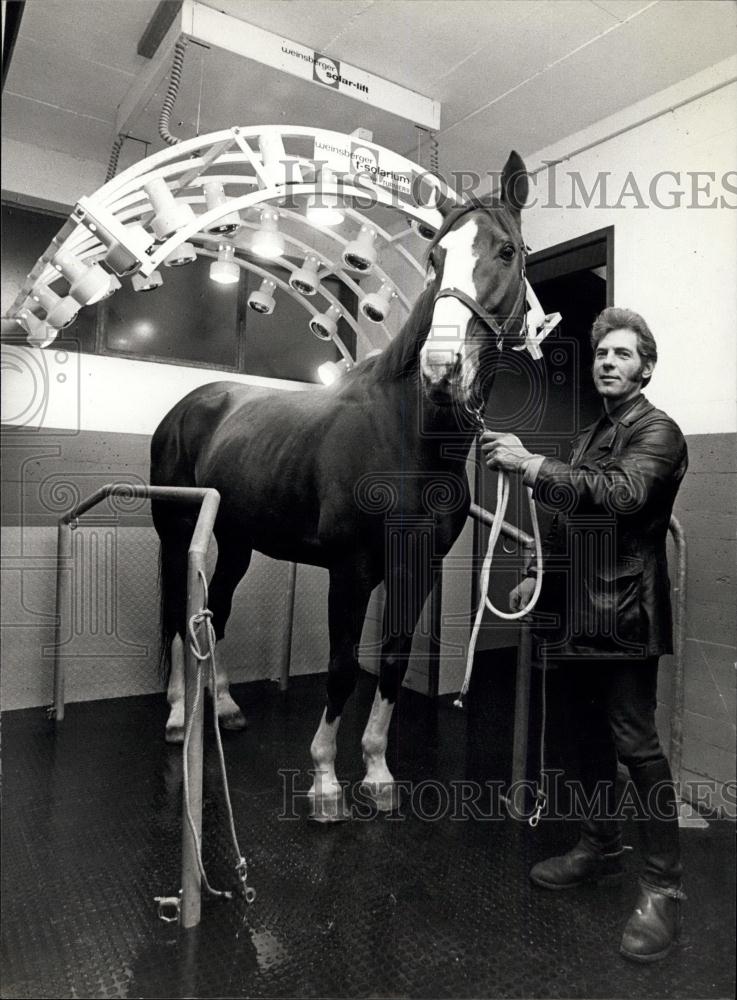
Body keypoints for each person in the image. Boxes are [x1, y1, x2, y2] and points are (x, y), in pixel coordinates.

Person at [481, 306, 688, 963]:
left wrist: (530, 465)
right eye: (601, 354)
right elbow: (576, 512)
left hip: (624, 615)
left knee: (634, 743)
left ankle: (662, 889)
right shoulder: (593, 431)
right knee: (580, 739)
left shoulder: (657, 432)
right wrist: (539, 575)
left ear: (644, 368)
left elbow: (623, 497)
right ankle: (599, 846)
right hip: (572, 610)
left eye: (622, 354)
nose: (607, 362)